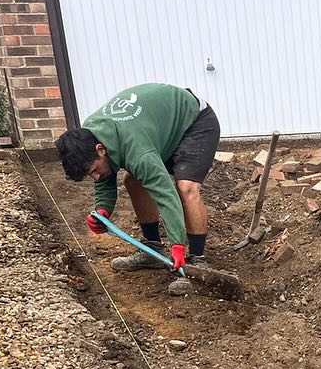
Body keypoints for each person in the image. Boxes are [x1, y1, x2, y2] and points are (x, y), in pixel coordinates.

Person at [55, 83, 221, 275]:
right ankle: (153, 250)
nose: (96, 177)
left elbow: (165, 195)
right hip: (159, 128)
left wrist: (177, 245)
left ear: (100, 149)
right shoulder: (92, 134)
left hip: (195, 122)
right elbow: (104, 175)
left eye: (94, 170)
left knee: (186, 187)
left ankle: (196, 259)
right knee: (132, 180)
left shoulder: (138, 152)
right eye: (89, 175)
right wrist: (103, 209)